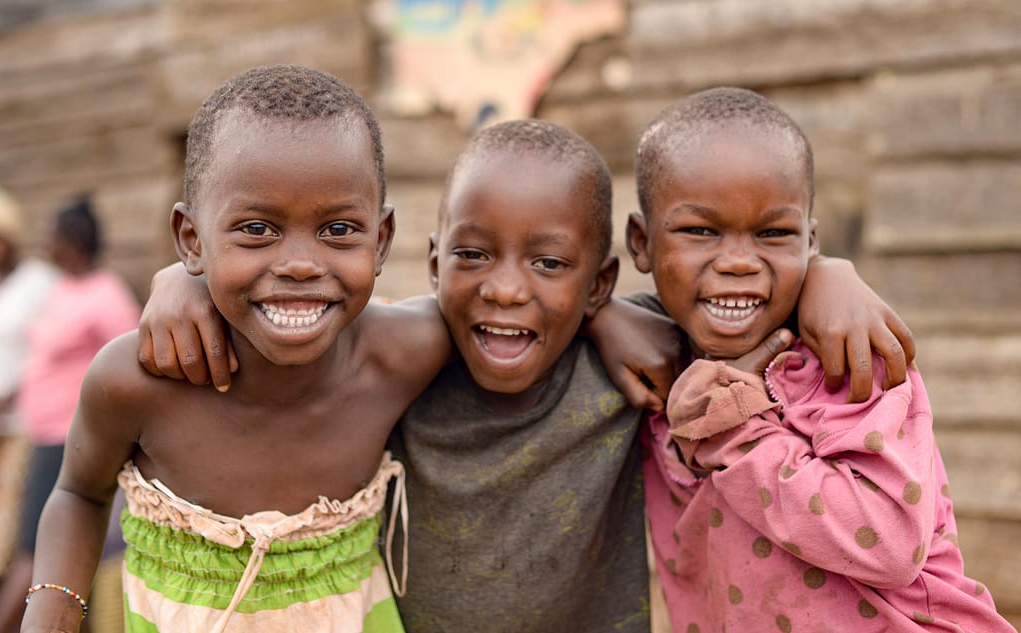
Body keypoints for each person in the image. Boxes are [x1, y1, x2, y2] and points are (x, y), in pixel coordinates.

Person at [137, 114, 920, 632]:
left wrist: (826, 274)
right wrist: (182, 283)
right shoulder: (399, 366)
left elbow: (737, 291)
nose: (508, 287)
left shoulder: (642, 367)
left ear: (601, 282)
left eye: (548, 263)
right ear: (433, 259)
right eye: (474, 255)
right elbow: (284, 323)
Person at [21, 65, 452, 633]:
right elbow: (78, 492)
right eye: (256, 229)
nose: (300, 263)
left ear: (382, 240)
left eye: (339, 230)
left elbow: (512, 316)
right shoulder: (136, 379)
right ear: (191, 240)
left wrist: (609, 321)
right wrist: (51, 615)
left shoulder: (407, 351)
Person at [629, 86, 1013, 632]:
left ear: (809, 242)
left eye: (773, 233)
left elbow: (889, 544)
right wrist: (601, 319)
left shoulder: (848, 355)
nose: (739, 261)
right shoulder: (656, 364)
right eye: (699, 231)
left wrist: (734, 429)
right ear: (640, 242)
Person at [0, 194, 139, 633]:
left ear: (72, 241)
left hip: (67, 436)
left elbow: (133, 361)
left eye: (53, 237)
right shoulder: (61, 290)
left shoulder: (106, 294)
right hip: (38, 435)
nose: (47, 245)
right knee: (32, 546)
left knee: (34, 552)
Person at [0, 188, 57, 631]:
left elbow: (53, 352)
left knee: (15, 532)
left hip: (26, 427)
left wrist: (10, 396)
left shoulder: (39, 284)